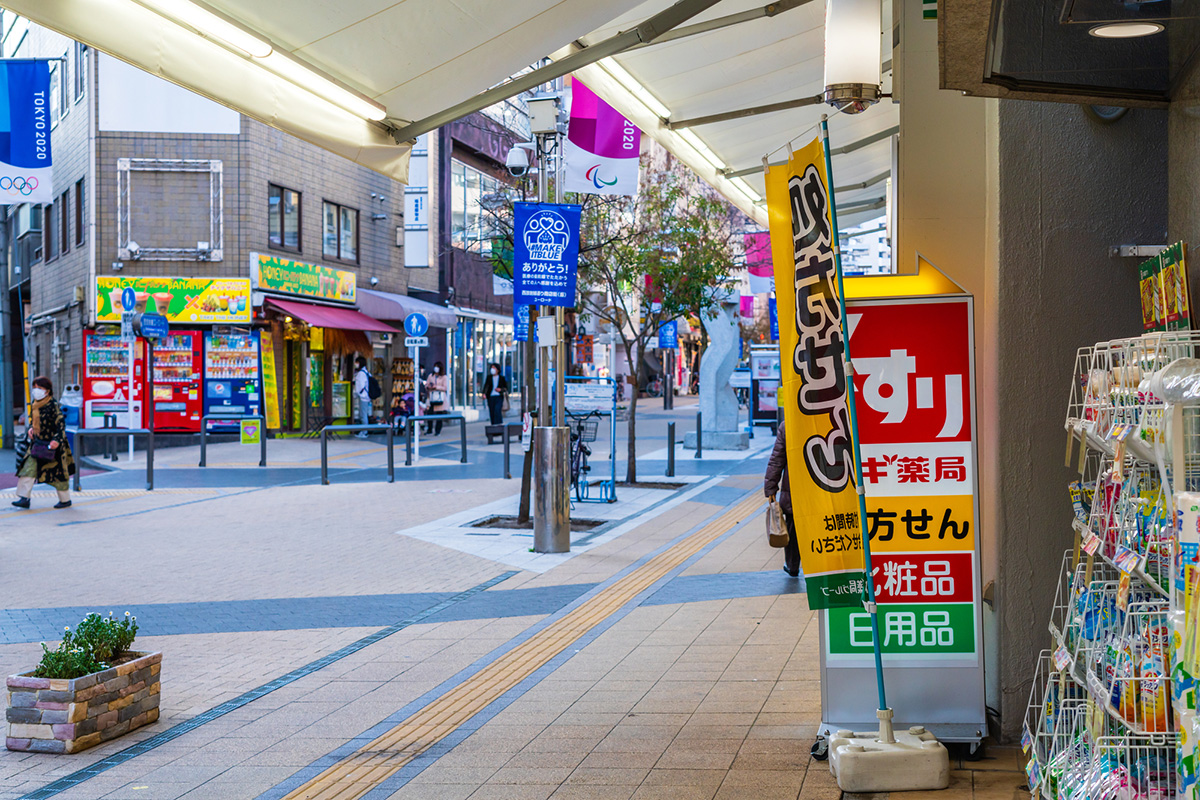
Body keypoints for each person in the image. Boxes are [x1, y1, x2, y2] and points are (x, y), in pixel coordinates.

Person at [12, 376, 76, 510]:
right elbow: (34, 423)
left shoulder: (53, 405)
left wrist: (56, 440)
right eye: (35, 387)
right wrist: (31, 429)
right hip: (37, 444)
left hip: (53, 446)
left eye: (40, 388)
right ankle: (24, 498)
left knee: (58, 475)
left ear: (47, 391)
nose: (36, 391)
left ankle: (65, 500)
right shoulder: (35, 405)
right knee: (27, 469)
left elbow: (61, 425)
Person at [763, 424, 800, 577]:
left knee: (793, 530)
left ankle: (792, 566)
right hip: (823, 488)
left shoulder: (789, 425)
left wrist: (770, 487)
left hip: (794, 489)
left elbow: (777, 459)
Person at [424, 361, 448, 435]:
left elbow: (445, 388)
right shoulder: (431, 376)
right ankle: (429, 429)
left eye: (437, 367)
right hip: (431, 397)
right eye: (435, 366)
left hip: (440, 398)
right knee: (429, 414)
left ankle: (437, 431)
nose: (436, 368)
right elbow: (426, 385)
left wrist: (436, 387)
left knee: (439, 415)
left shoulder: (444, 377)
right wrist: (428, 387)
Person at [353, 356, 371, 439]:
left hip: (363, 397)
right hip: (366, 396)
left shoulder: (361, 373)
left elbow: (360, 386)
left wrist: (358, 393)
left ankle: (365, 432)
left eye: (356, 362)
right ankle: (364, 431)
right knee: (363, 414)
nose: (355, 364)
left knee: (363, 415)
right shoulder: (366, 372)